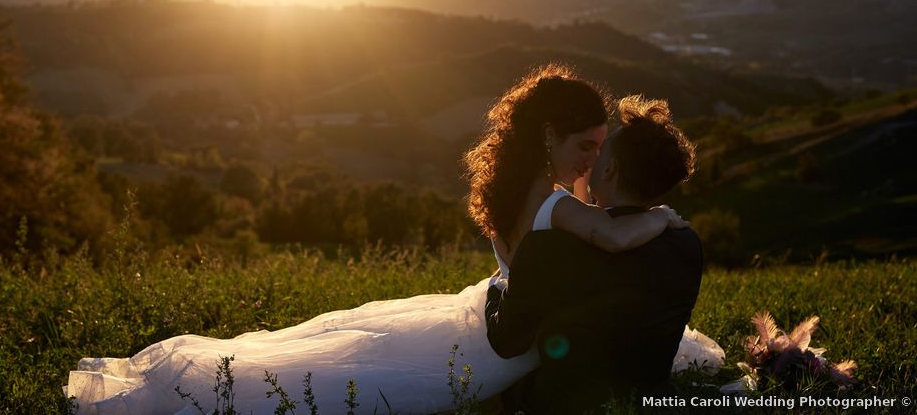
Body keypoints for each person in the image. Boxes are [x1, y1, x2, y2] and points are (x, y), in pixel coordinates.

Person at [65, 65, 698, 414]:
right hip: (499, 336)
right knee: (358, 384)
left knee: (346, 353)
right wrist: (661, 218)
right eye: (583, 147)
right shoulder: (558, 205)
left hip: (486, 308)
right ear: (549, 139)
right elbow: (611, 240)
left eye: (597, 149)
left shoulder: (519, 192)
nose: (591, 162)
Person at [485, 94, 723, 414]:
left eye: (601, 151)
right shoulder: (687, 244)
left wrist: (494, 291)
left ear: (609, 169)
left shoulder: (548, 247)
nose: (592, 158)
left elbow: (507, 342)